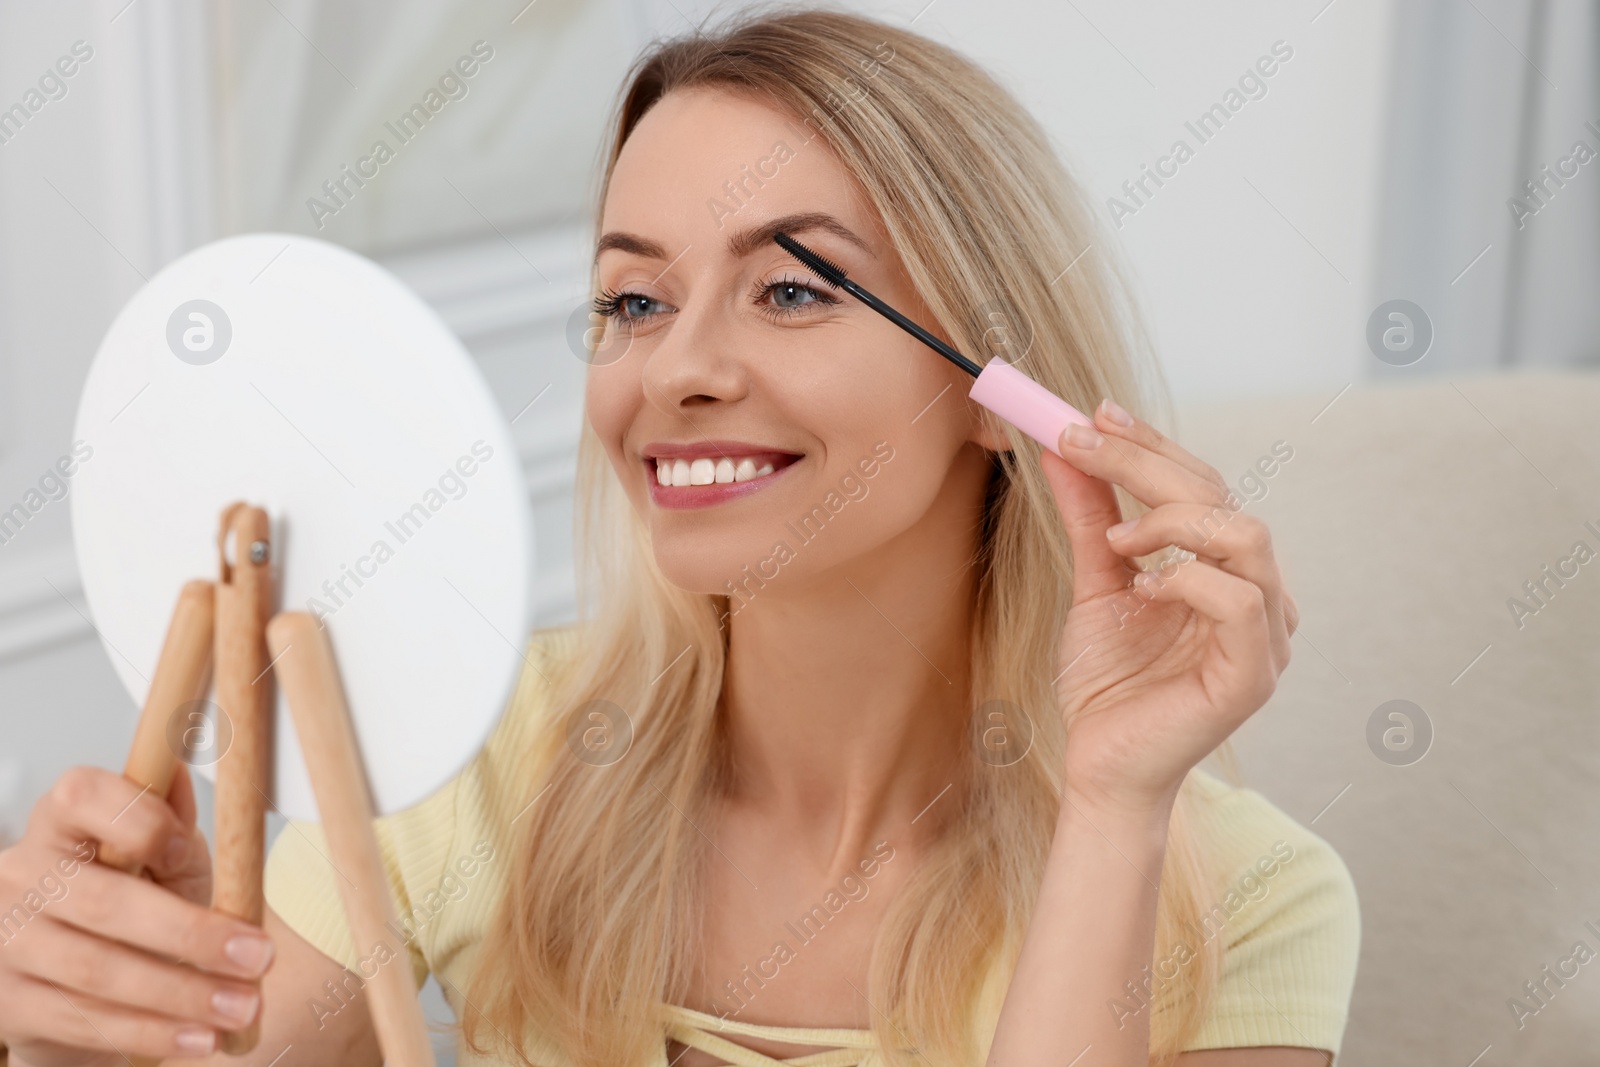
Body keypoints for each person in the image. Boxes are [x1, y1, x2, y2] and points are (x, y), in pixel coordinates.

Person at [0, 7, 1359, 1065]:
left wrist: (1113, 813)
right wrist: (87, 1024)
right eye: (634, 303)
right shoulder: (470, 758)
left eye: (788, 287)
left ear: (997, 393)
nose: (677, 371)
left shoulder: (1238, 901)